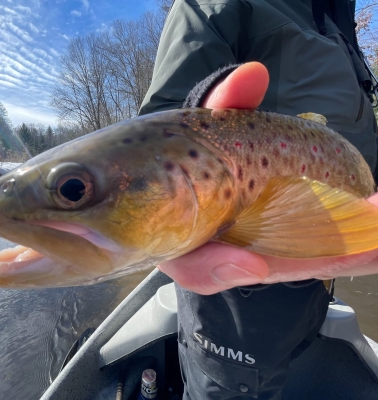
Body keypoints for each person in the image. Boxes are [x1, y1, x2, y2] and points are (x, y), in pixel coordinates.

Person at [139, 0, 378, 398]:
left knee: (292, 360)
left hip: (322, 268)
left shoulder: (336, 21)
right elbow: (161, 129)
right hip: (239, 284)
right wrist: (201, 125)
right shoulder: (213, 5)